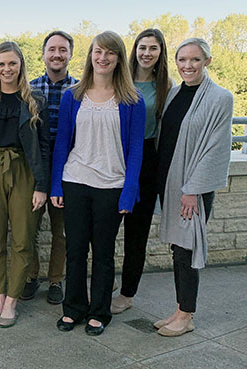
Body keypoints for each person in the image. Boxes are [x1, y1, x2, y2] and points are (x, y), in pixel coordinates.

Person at [51, 31, 145, 336]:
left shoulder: (132, 100)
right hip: (75, 181)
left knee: (103, 253)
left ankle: (99, 311)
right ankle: (73, 308)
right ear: (90, 56)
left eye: (110, 53)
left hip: (112, 186)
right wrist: (56, 186)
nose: (102, 58)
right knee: (75, 250)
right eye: (97, 52)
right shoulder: (73, 96)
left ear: (119, 59)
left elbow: (135, 151)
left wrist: (129, 192)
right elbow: (62, 144)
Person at [154, 38, 233, 337]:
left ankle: (187, 315)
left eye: (195, 60)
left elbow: (216, 149)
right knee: (178, 249)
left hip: (192, 190)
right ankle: (179, 309)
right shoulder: (174, 93)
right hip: (171, 183)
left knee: (187, 249)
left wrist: (193, 189)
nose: (188, 65)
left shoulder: (219, 98)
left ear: (207, 61)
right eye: (182, 60)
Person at [0, 42, 50, 328]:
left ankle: (12, 300)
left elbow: (44, 145)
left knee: (22, 240)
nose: (7, 69)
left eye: (12, 63)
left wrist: (41, 185)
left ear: (21, 64)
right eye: (1, 64)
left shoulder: (35, 99)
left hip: (25, 171)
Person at [112, 28, 171, 314]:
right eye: (142, 47)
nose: (146, 53)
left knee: (136, 233)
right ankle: (103, 281)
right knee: (104, 230)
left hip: (147, 161)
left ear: (161, 54)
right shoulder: (117, 79)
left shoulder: (166, 88)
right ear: (134, 50)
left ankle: (127, 293)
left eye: (153, 48)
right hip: (112, 157)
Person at [25, 30, 79, 304]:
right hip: (36, 169)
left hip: (68, 169)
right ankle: (31, 276)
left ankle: (56, 280)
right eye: (52, 49)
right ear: (44, 53)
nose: (57, 54)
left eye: (62, 49)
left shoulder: (81, 90)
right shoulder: (30, 89)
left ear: (70, 54)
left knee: (61, 231)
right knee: (29, 226)